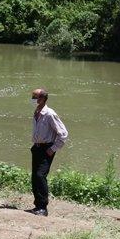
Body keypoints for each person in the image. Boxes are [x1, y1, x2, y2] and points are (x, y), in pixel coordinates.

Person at [29, 87, 69, 217]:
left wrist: (52, 149)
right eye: (32, 97)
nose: (32, 100)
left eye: (35, 97)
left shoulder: (50, 114)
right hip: (37, 147)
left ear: (43, 99)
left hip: (47, 149)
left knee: (41, 176)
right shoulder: (36, 112)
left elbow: (63, 134)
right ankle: (37, 205)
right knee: (35, 177)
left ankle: (43, 207)